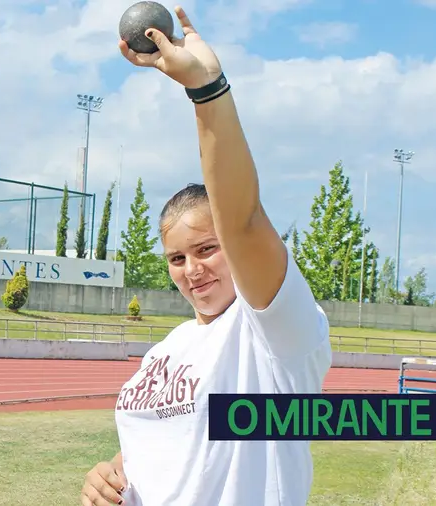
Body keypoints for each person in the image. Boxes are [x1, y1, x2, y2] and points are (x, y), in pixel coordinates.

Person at [80, 6, 332, 506]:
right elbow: (157, 449)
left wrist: (206, 88)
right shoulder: (166, 350)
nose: (192, 270)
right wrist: (107, 475)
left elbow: (241, 218)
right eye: (177, 258)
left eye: (207, 249)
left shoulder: (273, 330)